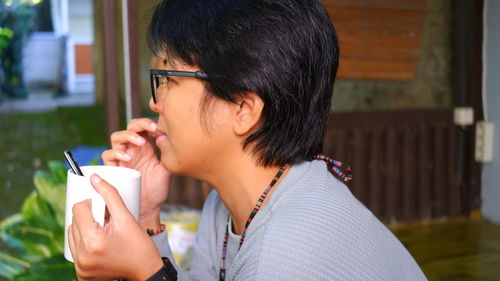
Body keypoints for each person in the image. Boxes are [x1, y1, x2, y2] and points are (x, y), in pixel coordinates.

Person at [67, 0, 427, 280]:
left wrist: (145, 274)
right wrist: (145, 214)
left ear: (243, 108)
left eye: (168, 78)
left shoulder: (290, 253)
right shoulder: (228, 206)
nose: (155, 101)